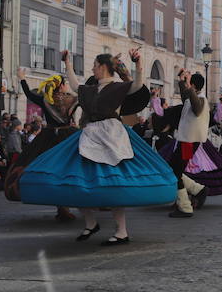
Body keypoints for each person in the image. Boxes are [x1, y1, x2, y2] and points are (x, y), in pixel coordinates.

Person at [19, 50, 177, 245]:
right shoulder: (91, 90)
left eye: (94, 65)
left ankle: (121, 231)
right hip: (90, 136)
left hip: (112, 137)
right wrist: (67, 63)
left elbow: (137, 84)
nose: (92, 68)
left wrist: (138, 63)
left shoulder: (119, 88)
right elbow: (75, 85)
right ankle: (91, 223)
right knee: (79, 181)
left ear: (102, 67)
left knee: (114, 185)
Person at [4, 67, 80, 221]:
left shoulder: (46, 100)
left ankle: (61, 207)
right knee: (70, 168)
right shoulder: (71, 99)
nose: (66, 86)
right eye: (64, 83)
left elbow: (28, 94)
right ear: (62, 85)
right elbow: (85, 98)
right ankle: (66, 206)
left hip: (49, 137)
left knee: (51, 169)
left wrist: (22, 78)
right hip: (66, 137)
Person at [165, 70, 209, 218]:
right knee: (174, 169)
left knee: (175, 171)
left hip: (189, 141)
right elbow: (186, 97)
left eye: (191, 84)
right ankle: (198, 190)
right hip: (186, 140)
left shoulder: (201, 98)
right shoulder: (193, 96)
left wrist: (188, 85)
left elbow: (196, 110)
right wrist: (182, 81)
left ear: (194, 85)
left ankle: (184, 206)